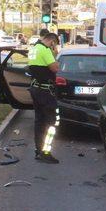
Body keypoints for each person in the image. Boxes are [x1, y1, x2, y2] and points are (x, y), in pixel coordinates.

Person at [28, 32, 61, 164]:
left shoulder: (34, 48)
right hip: (46, 91)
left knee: (39, 121)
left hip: (35, 88)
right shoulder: (45, 50)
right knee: (52, 122)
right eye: (55, 44)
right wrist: (54, 53)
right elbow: (55, 68)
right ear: (52, 42)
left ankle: (38, 150)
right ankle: (46, 152)